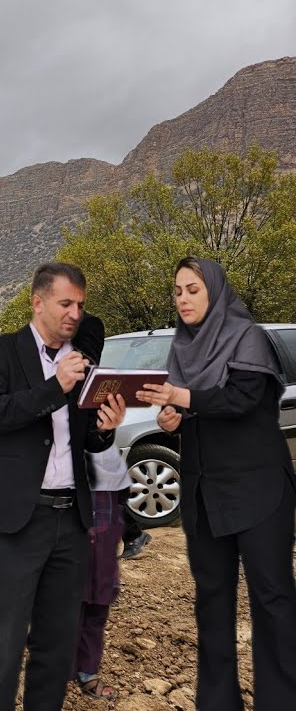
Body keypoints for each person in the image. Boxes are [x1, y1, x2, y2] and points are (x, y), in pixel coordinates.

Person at [0, 263, 126, 711]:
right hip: (19, 520)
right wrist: (56, 386)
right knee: (2, 647)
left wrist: (106, 429)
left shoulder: (82, 361)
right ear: (38, 302)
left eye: (80, 304)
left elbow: (86, 437)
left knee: (56, 647)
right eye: (65, 303)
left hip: (72, 521)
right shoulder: (0, 351)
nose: (75, 313)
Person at [135, 256, 296, 711]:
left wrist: (181, 398)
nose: (183, 299)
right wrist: (174, 418)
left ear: (216, 292)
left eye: (193, 290)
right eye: (178, 291)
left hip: (258, 488)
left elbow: (242, 399)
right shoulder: (181, 348)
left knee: (272, 598)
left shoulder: (248, 337)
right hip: (205, 492)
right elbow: (195, 411)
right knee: (212, 602)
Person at [71, 313, 127, 701]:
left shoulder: (104, 388)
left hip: (102, 499)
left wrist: (104, 430)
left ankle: (86, 669)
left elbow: (100, 447)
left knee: (96, 591)